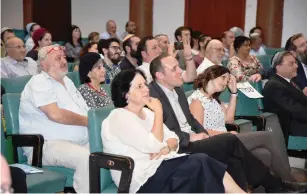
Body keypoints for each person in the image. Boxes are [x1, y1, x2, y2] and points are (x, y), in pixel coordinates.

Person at [148, 54, 307, 192]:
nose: (180, 71)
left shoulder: (177, 90)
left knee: (235, 158)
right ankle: (277, 184)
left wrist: (201, 132)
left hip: (197, 138)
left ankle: (273, 186)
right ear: (160, 75)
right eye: (174, 68)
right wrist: (189, 137)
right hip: (178, 145)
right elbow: (162, 126)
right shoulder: (153, 95)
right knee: (231, 140)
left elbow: (191, 119)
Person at [102, 69, 246, 193]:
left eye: (145, 84)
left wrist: (166, 147)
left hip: (163, 166)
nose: (146, 89)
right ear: (125, 94)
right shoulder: (119, 116)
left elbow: (174, 140)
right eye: (139, 86)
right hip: (141, 179)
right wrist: (159, 112)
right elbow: (153, 145)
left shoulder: (148, 114)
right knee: (201, 162)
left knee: (205, 167)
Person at [189, 65, 296, 181]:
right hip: (217, 142)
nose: (226, 83)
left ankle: (270, 186)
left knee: (264, 154)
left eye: (228, 79)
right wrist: (226, 134)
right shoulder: (197, 100)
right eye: (223, 78)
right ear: (212, 75)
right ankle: (288, 180)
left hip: (227, 138)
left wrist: (234, 93)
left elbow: (229, 119)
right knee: (267, 136)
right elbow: (199, 131)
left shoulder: (213, 99)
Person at [19, 45, 90, 193]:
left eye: (64, 57)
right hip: (46, 145)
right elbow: (55, 114)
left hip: (80, 142)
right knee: (87, 158)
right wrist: (88, 122)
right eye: (58, 58)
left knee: (112, 148)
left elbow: (86, 112)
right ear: (43, 64)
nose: (64, 61)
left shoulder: (68, 81)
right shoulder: (39, 81)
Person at [263, 51, 307, 137]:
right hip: (289, 127)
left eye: (295, 62)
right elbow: (295, 110)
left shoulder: (292, 81)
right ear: (279, 67)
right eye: (291, 64)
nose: (296, 66)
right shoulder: (274, 86)